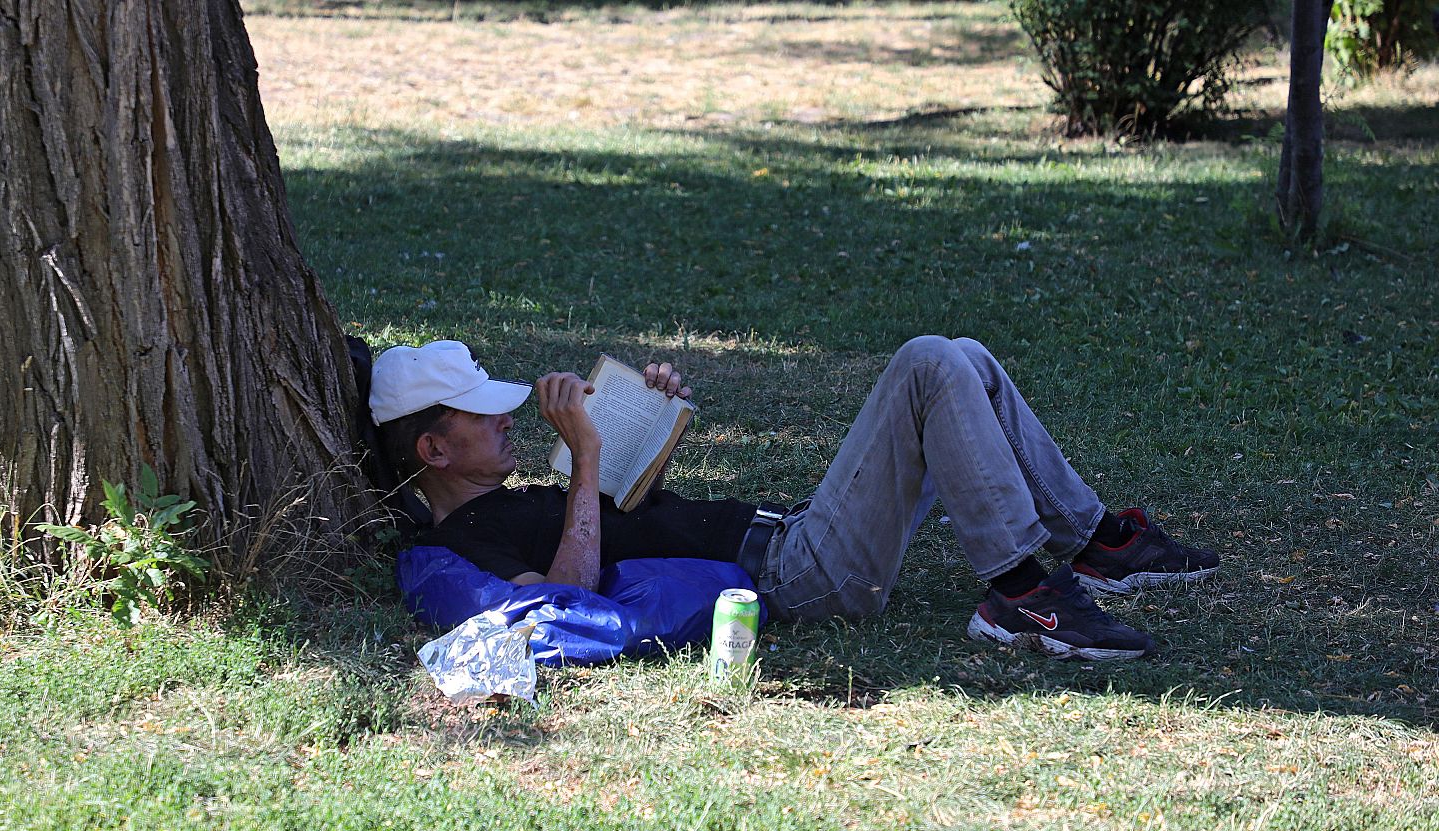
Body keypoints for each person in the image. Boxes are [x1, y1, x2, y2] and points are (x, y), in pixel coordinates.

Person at [369, 337, 1218, 661]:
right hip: (799, 574)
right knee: (926, 363)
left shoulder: (508, 494)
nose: (510, 416)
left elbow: (631, 526)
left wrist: (642, 426)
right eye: (485, 415)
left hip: (794, 537)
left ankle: (1099, 539)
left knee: (963, 356)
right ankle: (1021, 592)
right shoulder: (464, 541)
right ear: (434, 449)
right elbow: (567, 598)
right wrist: (585, 459)